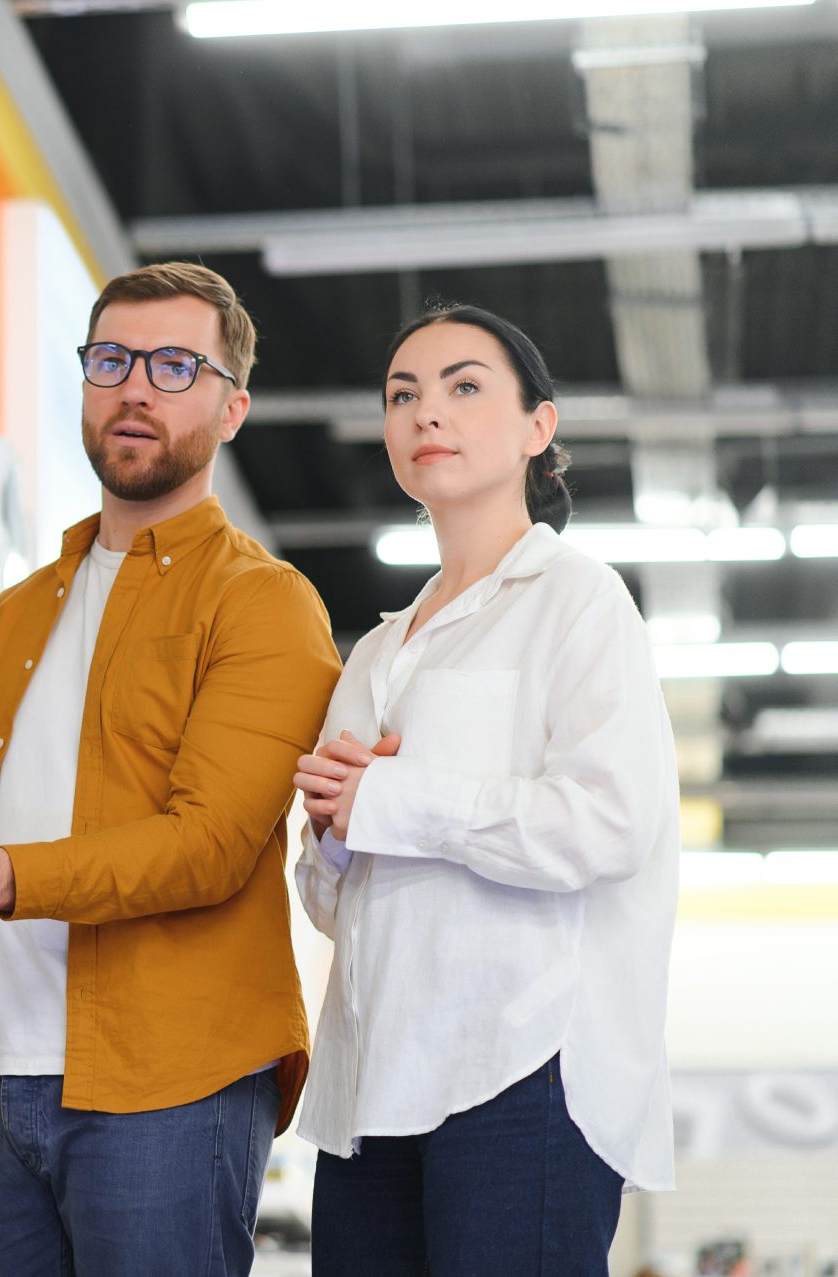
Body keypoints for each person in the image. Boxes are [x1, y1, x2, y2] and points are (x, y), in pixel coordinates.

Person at [0, 262, 342, 1274]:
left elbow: (212, 846)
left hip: (169, 1082)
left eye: (174, 365)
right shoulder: (19, 611)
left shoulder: (264, 602)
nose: (135, 387)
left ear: (232, 407)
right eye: (111, 360)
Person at [292, 303, 679, 1275]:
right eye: (403, 395)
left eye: (465, 386)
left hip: (524, 1067)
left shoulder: (578, 600)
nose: (429, 412)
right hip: (371, 1082)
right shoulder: (375, 650)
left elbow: (607, 823)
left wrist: (391, 795)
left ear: (537, 427)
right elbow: (338, 903)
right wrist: (331, 833)